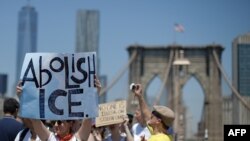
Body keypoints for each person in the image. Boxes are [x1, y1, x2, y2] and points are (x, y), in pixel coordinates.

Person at [18, 74, 102, 141]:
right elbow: (35, 120)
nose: (55, 125)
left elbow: (88, 119)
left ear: (70, 123)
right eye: (53, 122)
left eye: (59, 122)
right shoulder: (50, 138)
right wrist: (23, 98)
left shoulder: (79, 138)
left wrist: (94, 95)